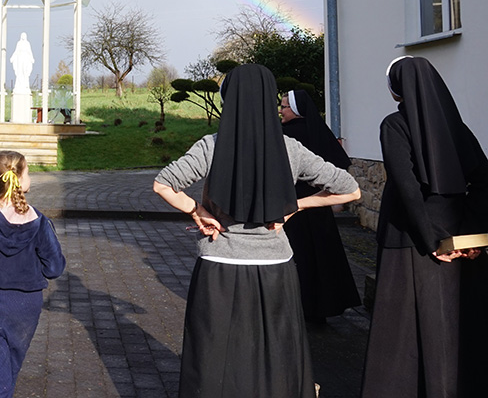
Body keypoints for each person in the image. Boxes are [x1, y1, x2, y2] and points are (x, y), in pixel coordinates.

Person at [151, 64, 360, 398]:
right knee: (275, 348)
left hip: (219, 265)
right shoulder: (289, 148)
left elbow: (163, 183)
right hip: (275, 267)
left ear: (228, 98)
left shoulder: (212, 145)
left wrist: (198, 211)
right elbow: (350, 190)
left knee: (216, 350)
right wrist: (296, 207)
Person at [361, 56, 488, 398]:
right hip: (457, 238)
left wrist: (429, 239)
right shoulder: (458, 128)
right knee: (453, 323)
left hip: (410, 238)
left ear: (397, 90)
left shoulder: (394, 125)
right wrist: (472, 235)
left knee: (404, 329)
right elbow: (483, 180)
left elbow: (407, 188)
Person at [0, 150, 65, 398]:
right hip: (26, 306)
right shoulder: (39, 222)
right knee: (9, 365)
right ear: (18, 179)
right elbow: (55, 268)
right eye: (28, 171)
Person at [280, 89, 362, 321]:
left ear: (295, 110)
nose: (280, 110)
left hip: (291, 207)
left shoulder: (284, 135)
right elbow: (339, 165)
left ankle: (295, 310)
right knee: (321, 259)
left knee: (299, 258)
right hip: (319, 206)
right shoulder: (319, 131)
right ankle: (321, 310)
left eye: (284, 106)